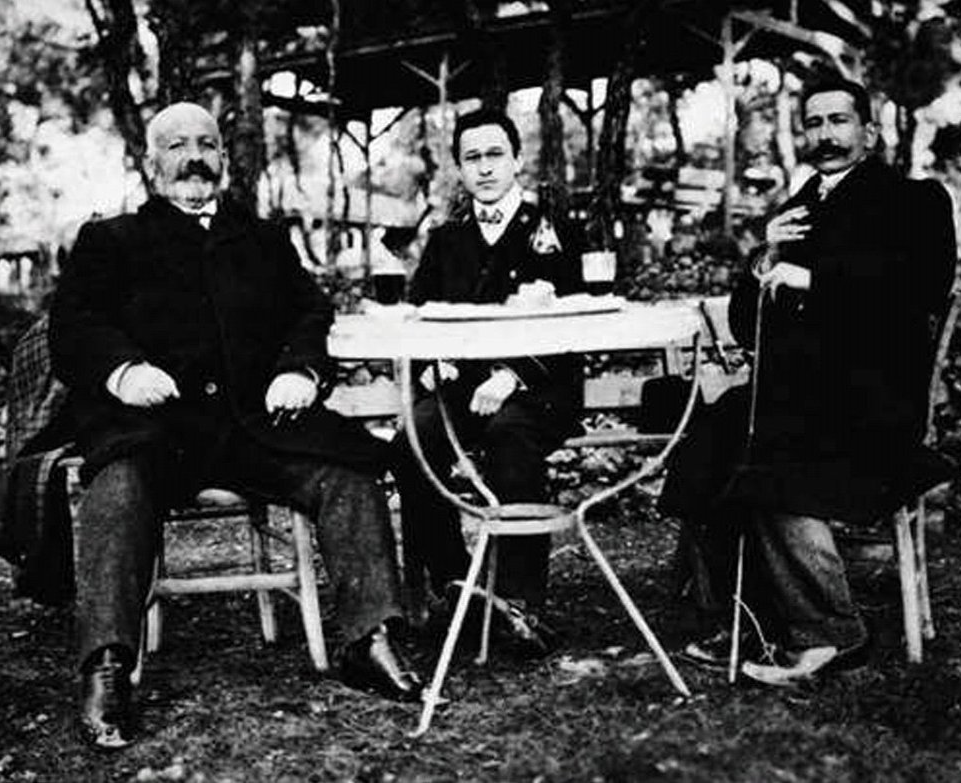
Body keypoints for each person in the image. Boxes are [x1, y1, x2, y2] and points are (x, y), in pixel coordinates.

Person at [50, 102, 421, 749]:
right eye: (176, 146)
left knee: (348, 469)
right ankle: (106, 664)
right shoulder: (110, 241)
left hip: (257, 427)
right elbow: (74, 326)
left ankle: (368, 638)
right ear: (151, 159)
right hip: (160, 429)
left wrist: (301, 371)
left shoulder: (263, 239)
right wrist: (124, 371)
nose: (193, 157)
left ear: (224, 156)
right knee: (115, 488)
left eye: (206, 144)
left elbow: (309, 312)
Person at [659, 78, 956, 685]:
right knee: (712, 434)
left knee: (771, 455)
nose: (825, 135)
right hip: (803, 399)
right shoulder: (795, 213)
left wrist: (816, 282)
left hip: (873, 404)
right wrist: (762, 262)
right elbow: (749, 326)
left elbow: (915, 290)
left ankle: (831, 632)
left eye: (838, 121)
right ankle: (739, 620)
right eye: (814, 124)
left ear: (869, 132)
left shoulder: (913, 201)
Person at [392, 108, 583, 656]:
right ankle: (458, 587)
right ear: (458, 168)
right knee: (412, 445)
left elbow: (580, 323)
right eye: (471, 158)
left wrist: (512, 374)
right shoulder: (447, 240)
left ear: (518, 160)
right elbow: (418, 316)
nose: (485, 168)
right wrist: (429, 363)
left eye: (495, 154)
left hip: (538, 388)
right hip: (459, 390)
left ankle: (522, 605)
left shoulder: (556, 232)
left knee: (510, 437)